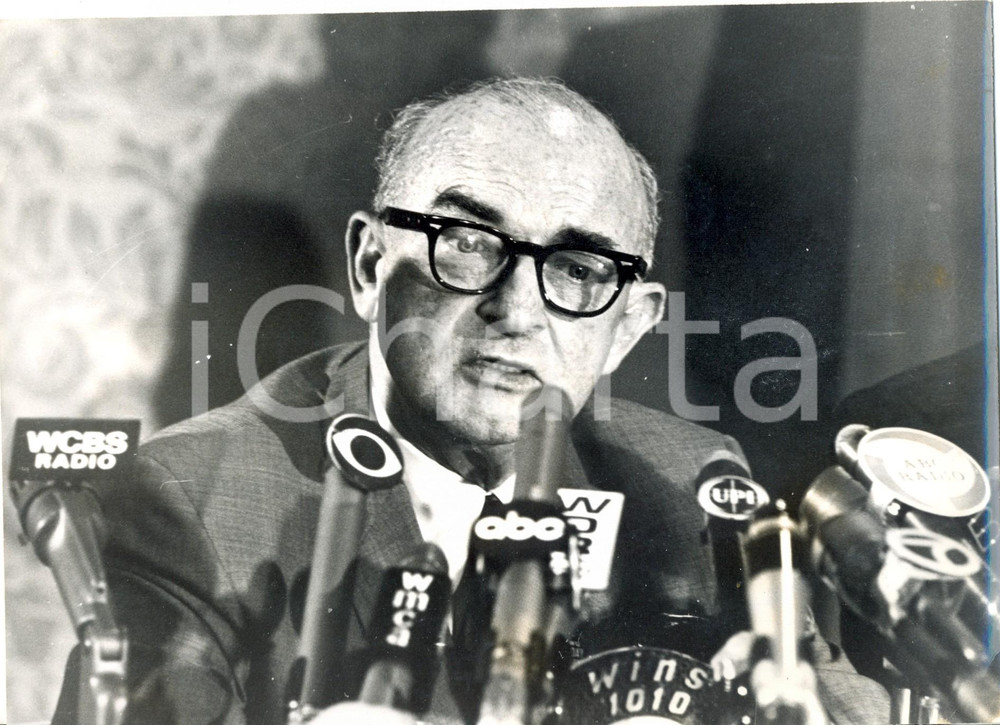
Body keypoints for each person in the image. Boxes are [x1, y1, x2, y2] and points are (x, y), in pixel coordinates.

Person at [53, 77, 888, 724]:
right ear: (370, 265)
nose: (516, 308)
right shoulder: (189, 499)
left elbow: (840, 699)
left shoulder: (689, 478)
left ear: (629, 327)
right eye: (466, 242)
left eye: (579, 269)